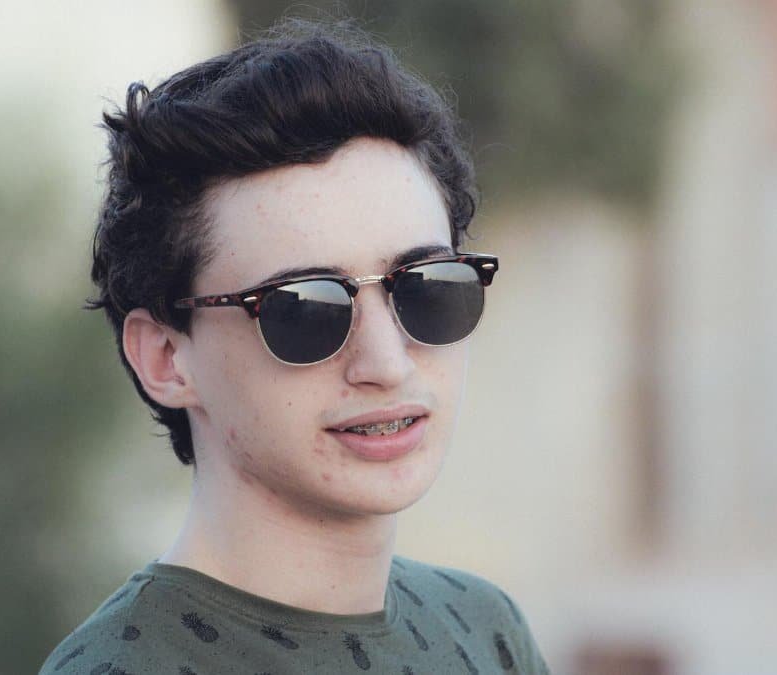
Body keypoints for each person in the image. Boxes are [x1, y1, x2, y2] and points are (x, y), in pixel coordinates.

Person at [39, 17, 550, 675]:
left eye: (424, 288)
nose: (387, 362)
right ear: (166, 357)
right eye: (305, 310)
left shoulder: (485, 630)